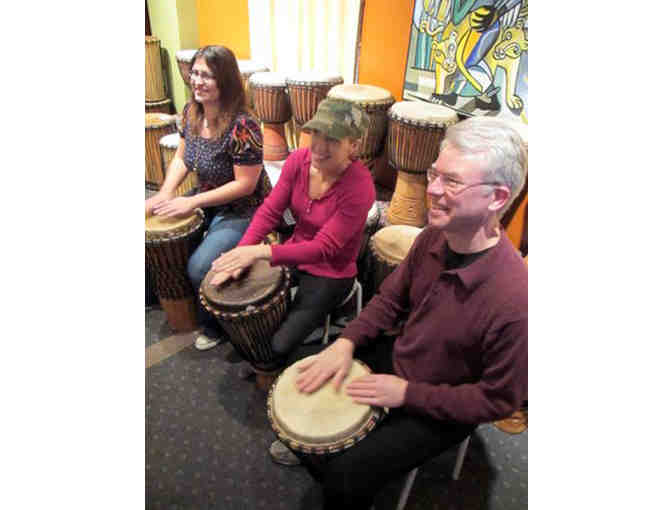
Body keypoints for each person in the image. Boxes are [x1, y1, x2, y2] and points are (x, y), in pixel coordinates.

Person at [269, 115, 528, 510]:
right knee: (303, 369)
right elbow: (389, 300)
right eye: (435, 174)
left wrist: (408, 394)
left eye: (452, 181)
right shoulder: (433, 237)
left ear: (496, 197)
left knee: (344, 478)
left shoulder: (515, 302)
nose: (432, 190)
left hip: (445, 402)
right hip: (403, 357)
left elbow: (497, 400)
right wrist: (345, 343)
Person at [208, 98, 376, 369]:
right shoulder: (298, 160)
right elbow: (270, 210)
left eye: (332, 139)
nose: (318, 146)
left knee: (278, 345)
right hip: (293, 252)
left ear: (353, 146)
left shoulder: (360, 187)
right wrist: (242, 251)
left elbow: (323, 249)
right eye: (316, 133)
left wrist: (260, 252)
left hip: (331, 272)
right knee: (241, 301)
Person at [145, 46, 271, 350]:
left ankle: (216, 326)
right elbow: (182, 158)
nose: (197, 81)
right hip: (205, 197)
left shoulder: (243, 126)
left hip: (243, 208)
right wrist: (165, 193)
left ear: (225, 80)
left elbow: (245, 185)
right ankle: (162, 297)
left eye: (207, 76)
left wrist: (191, 202)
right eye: (195, 73)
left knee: (199, 267)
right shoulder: (191, 111)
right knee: (151, 231)